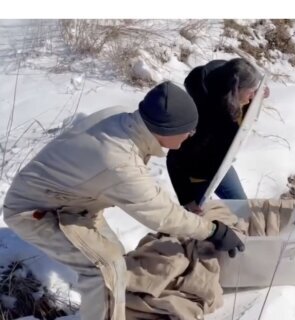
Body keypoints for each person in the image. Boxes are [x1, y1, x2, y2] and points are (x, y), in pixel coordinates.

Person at [2, 81, 244, 320]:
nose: (191, 135)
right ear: (166, 130)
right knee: (105, 271)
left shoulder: (125, 121)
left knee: (118, 258)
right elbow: (161, 214)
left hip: (75, 203)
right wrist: (213, 231)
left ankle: (120, 309)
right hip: (37, 211)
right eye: (188, 131)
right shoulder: (117, 158)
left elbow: (144, 190)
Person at [167, 58, 268, 213]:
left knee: (244, 211)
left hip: (221, 167)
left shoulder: (230, 97)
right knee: (195, 221)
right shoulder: (204, 119)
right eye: (251, 92)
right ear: (235, 90)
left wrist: (257, 96)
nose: (253, 96)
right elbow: (174, 159)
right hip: (196, 177)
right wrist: (187, 199)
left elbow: (242, 122)